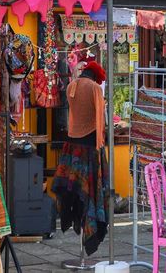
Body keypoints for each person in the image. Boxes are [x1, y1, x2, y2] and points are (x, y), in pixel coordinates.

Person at [51, 61, 108, 257]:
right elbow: (101, 120)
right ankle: (89, 234)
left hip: (72, 147)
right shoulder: (94, 88)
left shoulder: (72, 86)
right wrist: (101, 144)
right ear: (96, 76)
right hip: (91, 148)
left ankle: (79, 229)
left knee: (76, 193)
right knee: (90, 194)